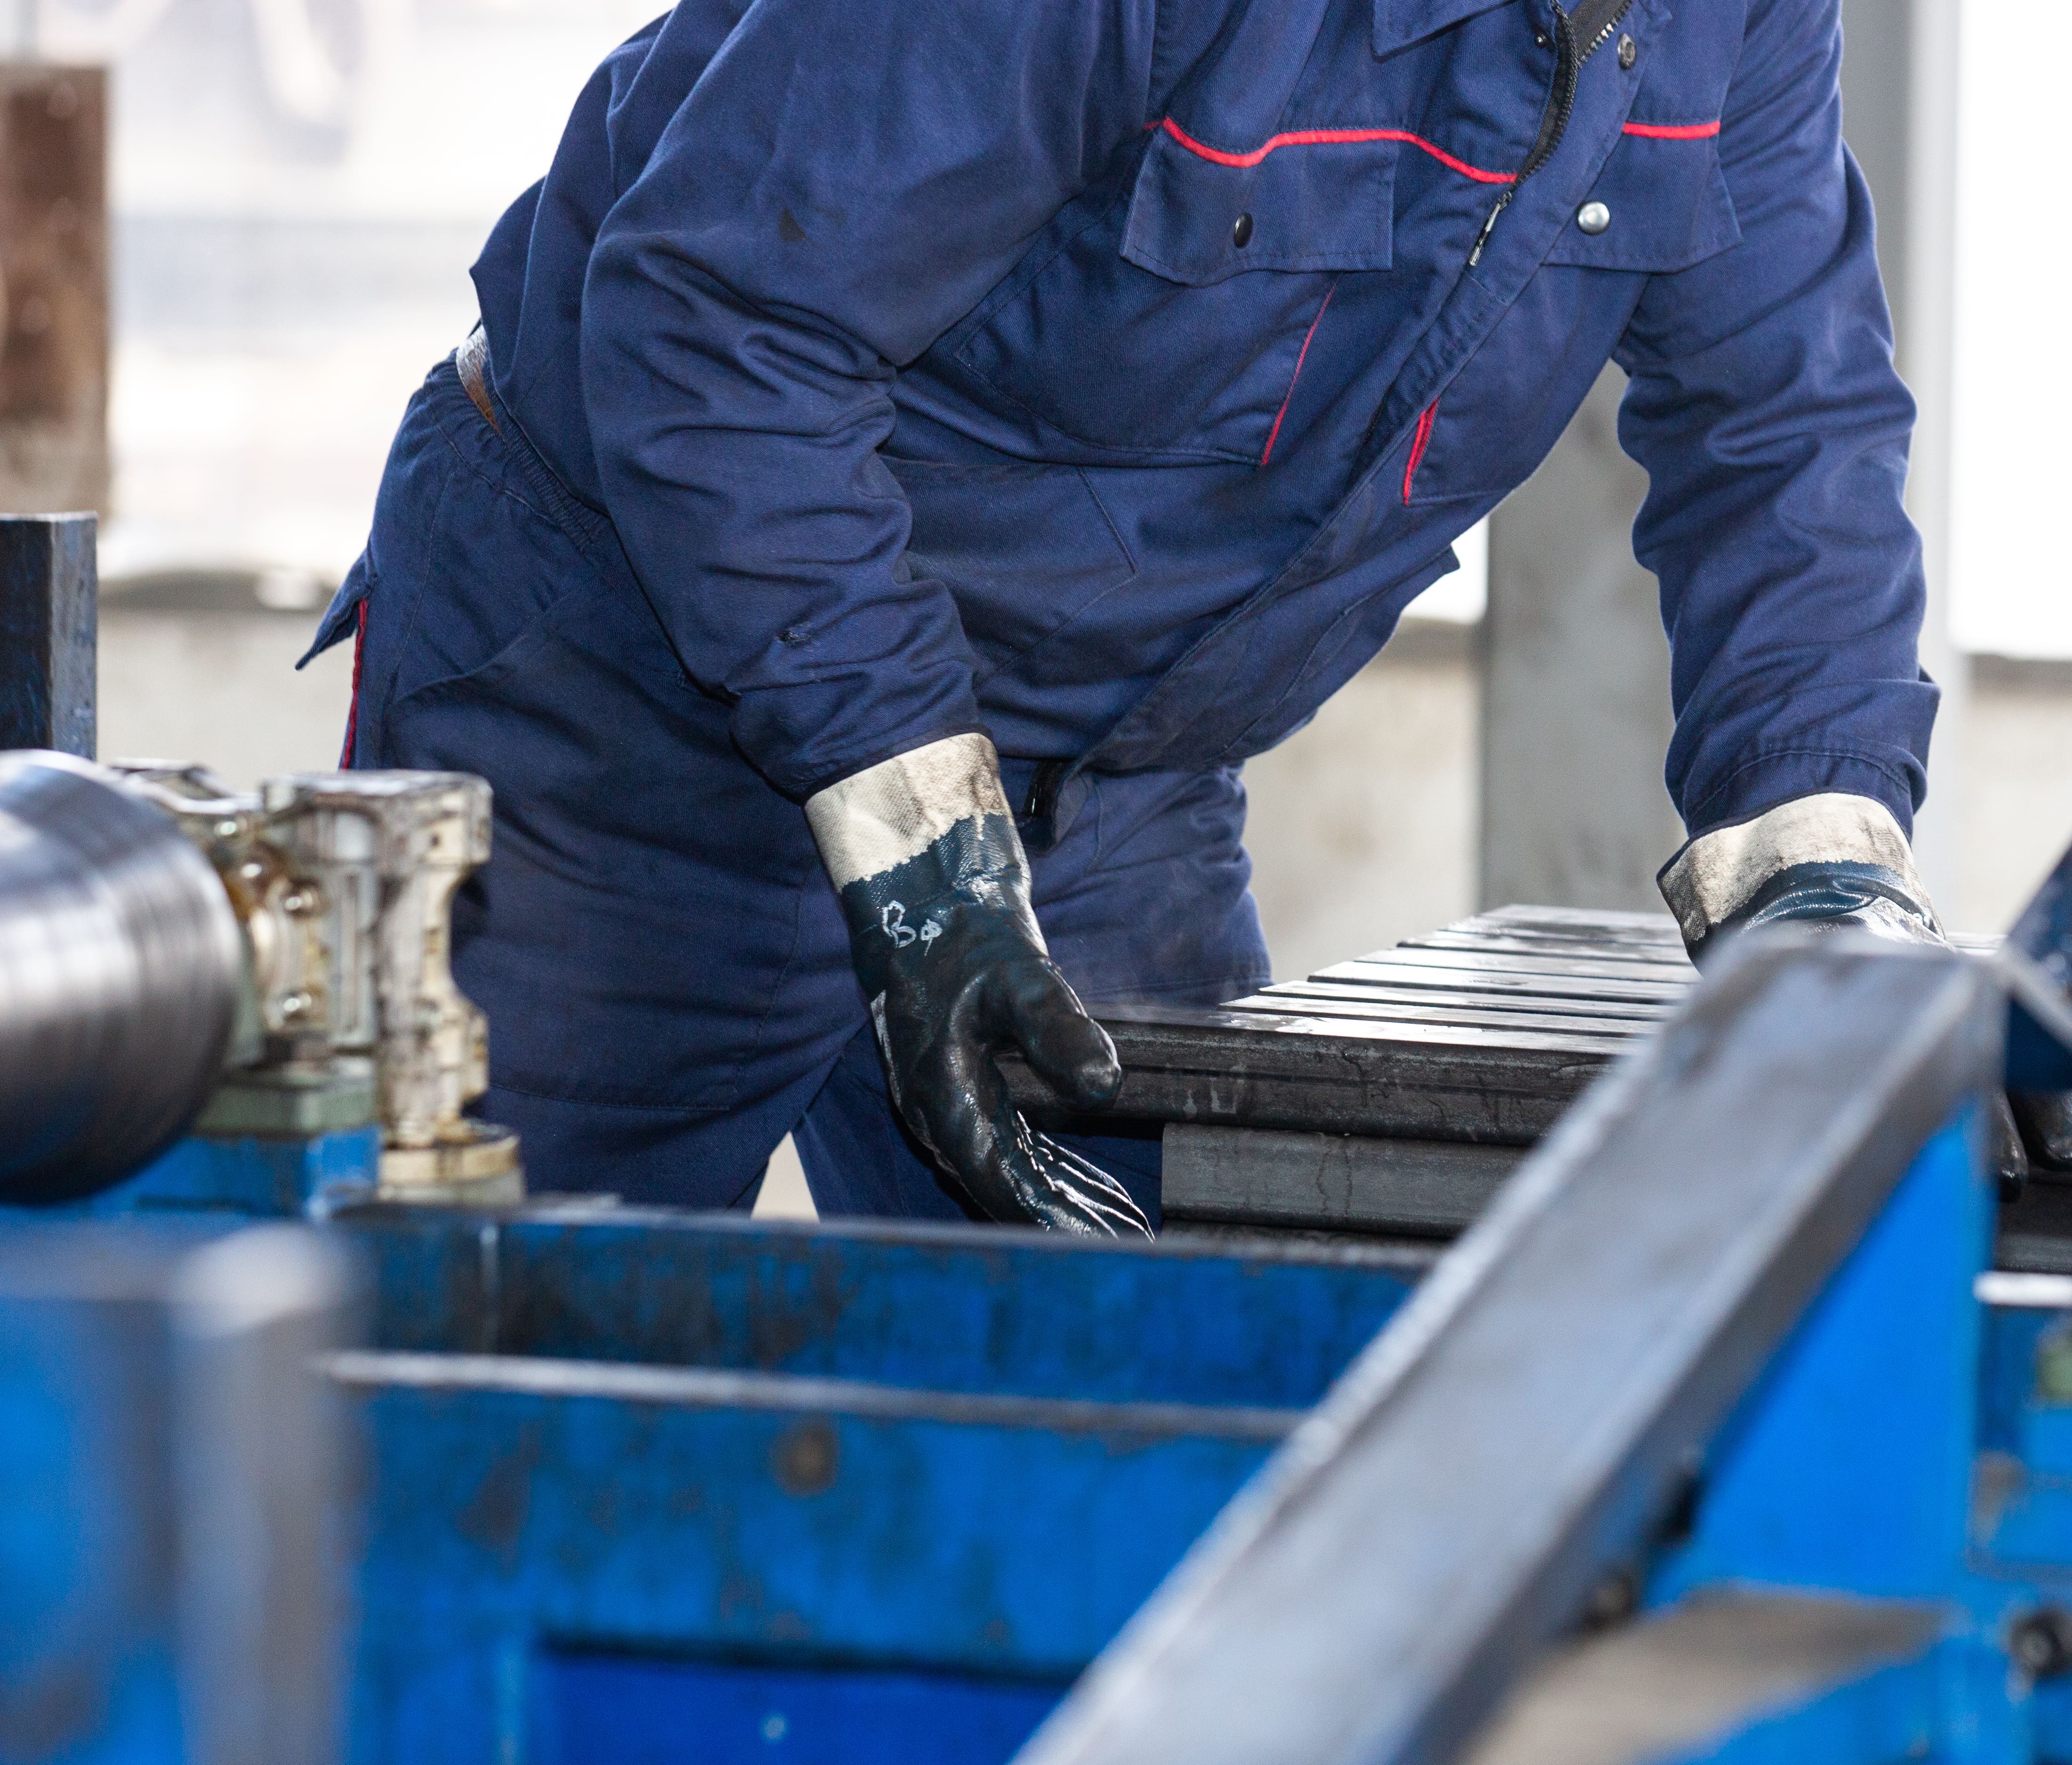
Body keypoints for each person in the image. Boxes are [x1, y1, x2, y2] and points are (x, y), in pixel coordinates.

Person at [303, 0, 1942, 1232]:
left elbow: (1778, 423)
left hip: (1100, 768)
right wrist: (924, 854)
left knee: (1164, 1422)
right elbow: (720, 321)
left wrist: (1821, 871)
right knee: (509, 1403)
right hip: (625, 691)